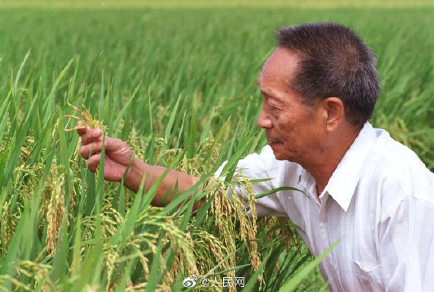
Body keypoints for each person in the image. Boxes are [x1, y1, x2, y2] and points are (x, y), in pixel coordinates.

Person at [76, 23, 434, 291]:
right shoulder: (289, 168)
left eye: (274, 106)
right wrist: (133, 170)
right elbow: (211, 195)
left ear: (330, 113)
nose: (262, 119)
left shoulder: (403, 195)